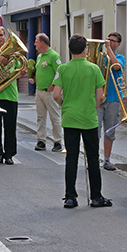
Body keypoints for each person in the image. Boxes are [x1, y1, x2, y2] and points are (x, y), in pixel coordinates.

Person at [53, 34, 111, 208]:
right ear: (85, 49)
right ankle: (96, 196)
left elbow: (56, 95)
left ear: (70, 50)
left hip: (70, 117)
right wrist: (91, 108)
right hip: (89, 118)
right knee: (92, 158)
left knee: (71, 157)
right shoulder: (94, 69)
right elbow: (100, 96)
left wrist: (66, 105)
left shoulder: (63, 69)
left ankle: (70, 196)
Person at [0, 26, 23, 165]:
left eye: (2, 35)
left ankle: (9, 155)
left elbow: (18, 67)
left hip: (10, 95)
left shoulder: (13, 53)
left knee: (10, 127)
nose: (0, 38)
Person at [30, 33, 62, 152]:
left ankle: (58, 141)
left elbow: (59, 72)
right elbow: (39, 71)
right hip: (39, 91)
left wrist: (52, 86)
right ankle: (41, 141)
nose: (34, 44)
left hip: (49, 92)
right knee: (40, 117)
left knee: (54, 117)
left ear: (42, 43)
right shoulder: (40, 56)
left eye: (36, 41)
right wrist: (34, 78)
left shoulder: (53, 56)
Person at [97, 32, 125, 171]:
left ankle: (107, 160)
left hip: (113, 99)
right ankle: (94, 158)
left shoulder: (120, 57)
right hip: (98, 98)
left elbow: (116, 67)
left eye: (113, 41)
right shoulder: (100, 58)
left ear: (118, 44)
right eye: (108, 40)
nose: (110, 42)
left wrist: (108, 49)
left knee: (109, 132)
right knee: (95, 130)